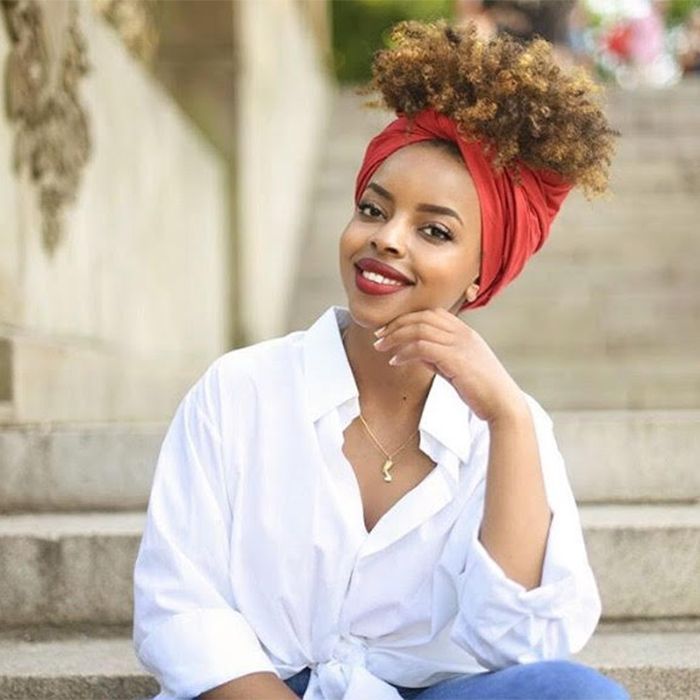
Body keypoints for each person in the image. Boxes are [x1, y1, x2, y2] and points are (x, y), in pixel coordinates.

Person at [133, 20, 628, 700]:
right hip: (257, 691)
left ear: (482, 274)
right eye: (373, 209)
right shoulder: (240, 391)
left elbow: (522, 645)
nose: (386, 240)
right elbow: (181, 609)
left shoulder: (512, 428)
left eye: (434, 230)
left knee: (579, 694)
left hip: (431, 692)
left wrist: (508, 419)